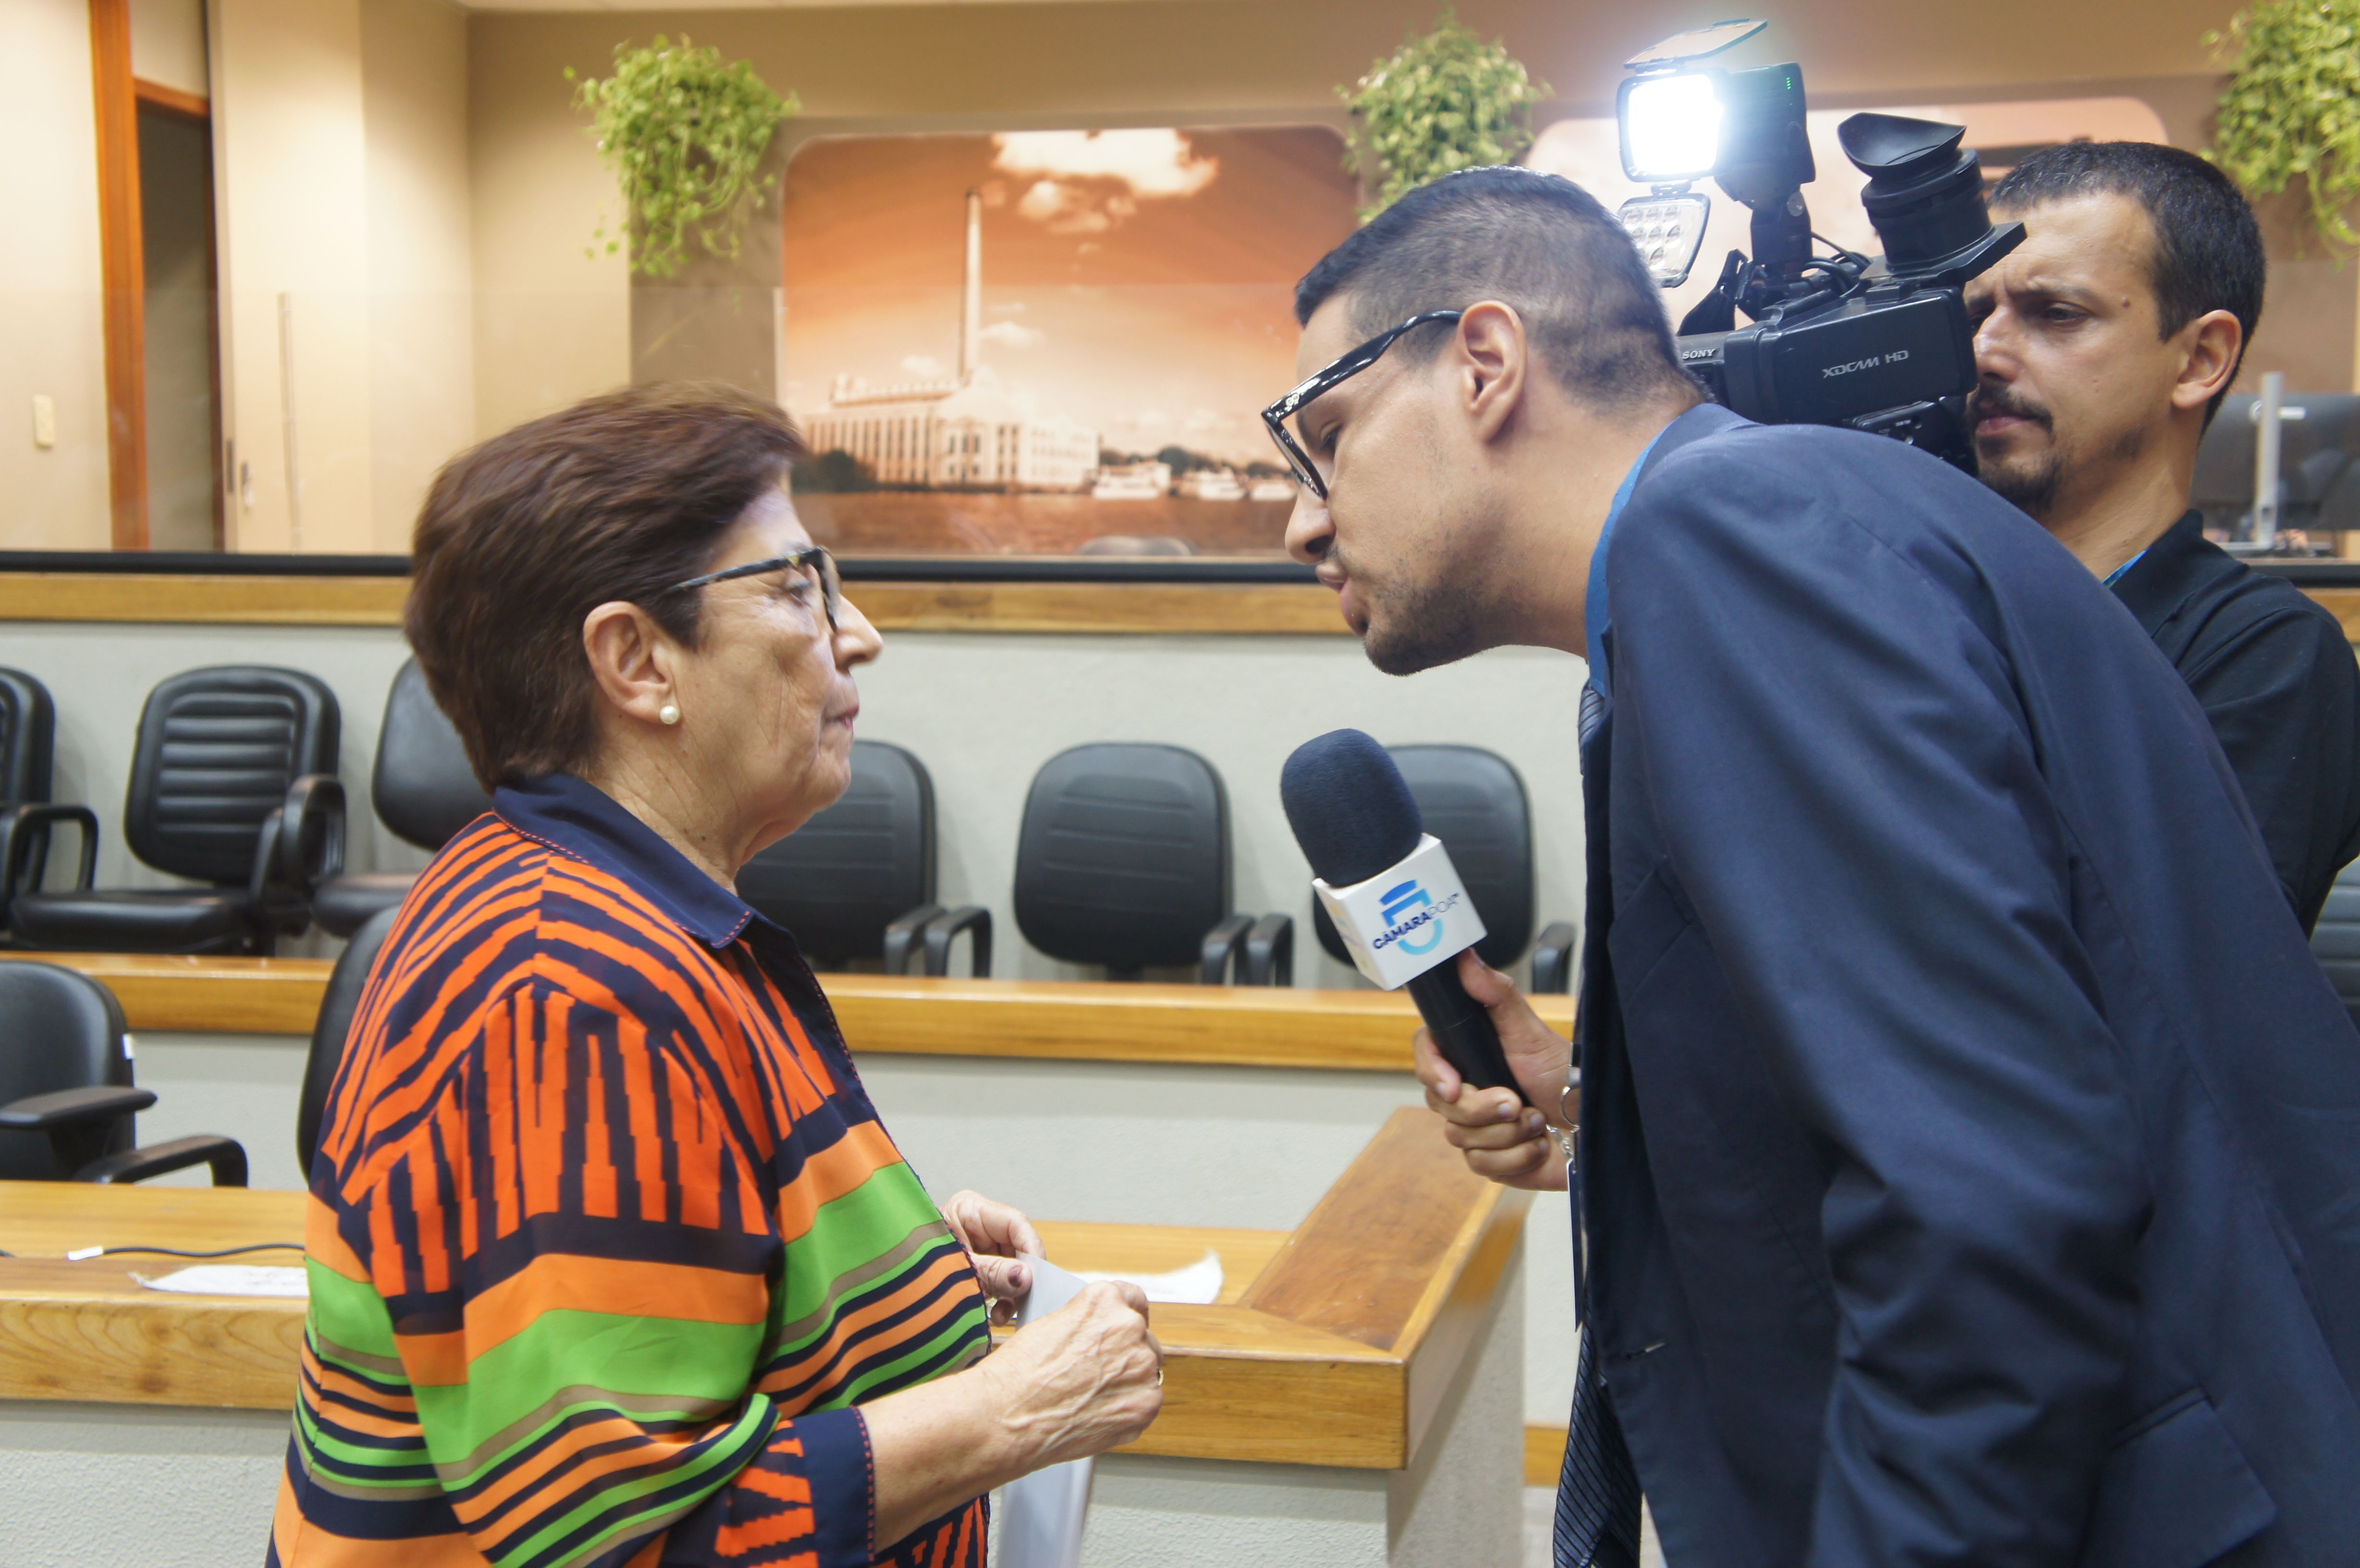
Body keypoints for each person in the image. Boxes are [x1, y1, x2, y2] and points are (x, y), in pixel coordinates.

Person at [1267, 167, 2360, 1565]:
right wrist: (1604, 1104)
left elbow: (1984, 1196)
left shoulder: (1724, 538)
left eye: (1329, 435)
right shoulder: (1760, 530)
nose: (1304, 520)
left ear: (1484, 364)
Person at [270, 384, 1162, 1568]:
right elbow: (628, 1543)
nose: (856, 634)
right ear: (637, 661)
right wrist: (1009, 1411)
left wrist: (884, 1284)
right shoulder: (570, 991)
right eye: (796, 588)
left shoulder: (615, 919)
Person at [1968, 139, 2360, 929]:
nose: (1986, 352)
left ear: (2199, 359)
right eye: (1975, 314)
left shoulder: (2266, 656)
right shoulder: (1921, 605)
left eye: (2056, 314)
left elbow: (2168, 970)